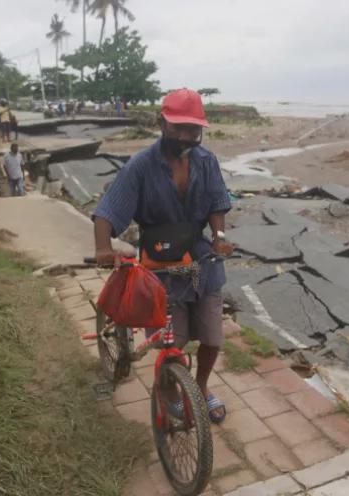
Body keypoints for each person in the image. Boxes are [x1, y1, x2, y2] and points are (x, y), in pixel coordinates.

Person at [93, 88, 234, 424]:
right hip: (159, 262)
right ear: (161, 124)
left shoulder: (207, 161)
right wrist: (102, 247)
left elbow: (217, 202)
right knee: (174, 341)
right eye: (178, 128)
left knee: (213, 338)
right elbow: (108, 211)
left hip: (199, 259)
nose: (186, 136)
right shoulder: (140, 166)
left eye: (193, 129)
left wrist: (219, 236)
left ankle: (199, 387)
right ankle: (169, 391)